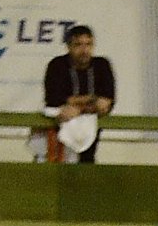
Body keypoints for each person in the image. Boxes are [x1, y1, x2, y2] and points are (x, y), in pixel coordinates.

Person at [42, 24, 115, 164]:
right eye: (78, 45)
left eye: (88, 44)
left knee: (86, 163)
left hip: (91, 126)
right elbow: (53, 98)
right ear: (68, 47)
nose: (84, 50)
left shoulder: (102, 65)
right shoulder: (57, 65)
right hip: (60, 127)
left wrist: (77, 106)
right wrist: (92, 100)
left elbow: (107, 101)